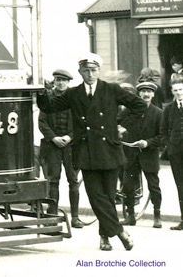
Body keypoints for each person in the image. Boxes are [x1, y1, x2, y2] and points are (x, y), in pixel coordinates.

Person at [37, 52, 146, 251]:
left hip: (109, 150)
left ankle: (104, 238)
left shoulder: (111, 89)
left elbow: (139, 105)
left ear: (98, 71)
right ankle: (119, 231)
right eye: (86, 70)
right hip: (86, 152)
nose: (90, 74)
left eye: (93, 70)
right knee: (96, 197)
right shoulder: (73, 93)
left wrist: (120, 125)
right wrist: (44, 91)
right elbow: (49, 107)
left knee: (108, 196)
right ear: (80, 72)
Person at [38, 69, 84, 228]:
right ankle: (51, 214)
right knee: (53, 180)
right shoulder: (48, 99)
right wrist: (54, 138)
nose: (61, 83)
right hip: (53, 146)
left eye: (64, 80)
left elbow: (81, 121)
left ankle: (76, 217)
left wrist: (70, 137)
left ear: (68, 82)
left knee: (73, 180)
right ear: (54, 81)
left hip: (71, 145)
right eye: (58, 79)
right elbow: (42, 122)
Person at [118, 81, 163, 228]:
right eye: (143, 91)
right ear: (139, 94)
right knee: (128, 186)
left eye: (149, 91)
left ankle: (157, 215)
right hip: (130, 154)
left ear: (153, 94)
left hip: (149, 155)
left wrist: (148, 143)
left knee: (154, 186)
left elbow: (162, 136)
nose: (146, 94)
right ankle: (130, 215)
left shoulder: (158, 113)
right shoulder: (129, 111)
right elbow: (117, 124)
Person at [160, 76, 183, 230]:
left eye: (181, 89)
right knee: (181, 186)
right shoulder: (168, 109)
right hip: (176, 153)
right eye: (175, 90)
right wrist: (168, 146)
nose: (179, 93)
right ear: (172, 92)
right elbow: (163, 130)